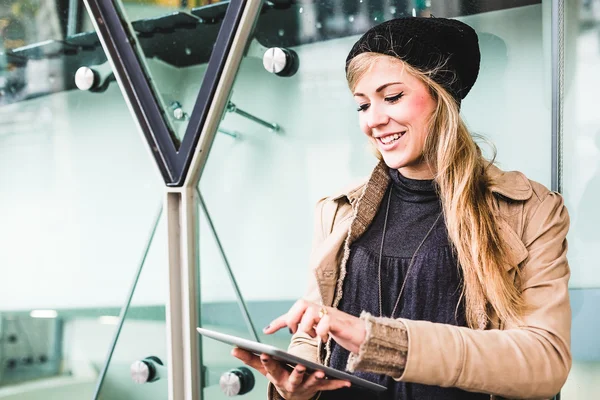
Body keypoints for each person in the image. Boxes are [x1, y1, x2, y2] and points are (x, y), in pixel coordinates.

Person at [233, 16, 571, 400]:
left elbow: (545, 362)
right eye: (362, 105)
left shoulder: (532, 210)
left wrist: (380, 340)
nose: (373, 120)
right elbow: (314, 331)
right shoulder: (338, 209)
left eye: (392, 97)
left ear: (442, 96)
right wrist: (296, 379)